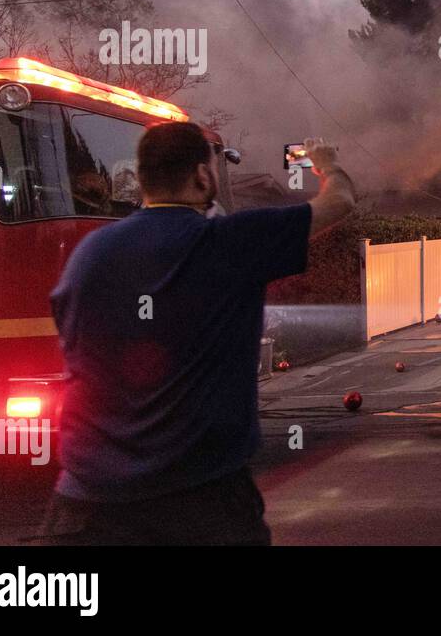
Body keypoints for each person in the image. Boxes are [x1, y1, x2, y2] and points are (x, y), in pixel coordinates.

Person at [35, 123, 356, 545]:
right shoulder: (229, 243)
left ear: (140, 179)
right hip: (202, 504)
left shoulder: (90, 254)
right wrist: (327, 166)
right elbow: (340, 202)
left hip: (83, 507)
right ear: (203, 177)